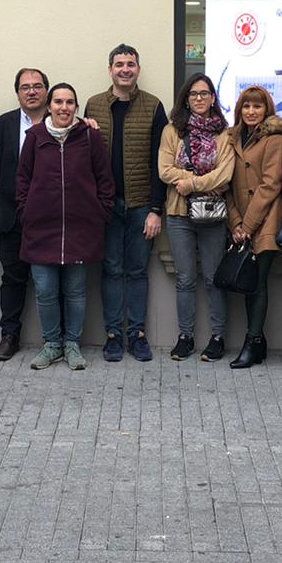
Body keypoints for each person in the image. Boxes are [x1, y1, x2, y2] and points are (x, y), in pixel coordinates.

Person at [16, 83, 116, 370]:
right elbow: (22, 179)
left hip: (81, 229)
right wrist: (26, 212)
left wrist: (101, 213)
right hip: (41, 229)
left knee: (76, 290)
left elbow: (104, 179)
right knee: (45, 290)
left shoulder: (89, 137)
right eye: (58, 102)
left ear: (76, 106)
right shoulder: (35, 137)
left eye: (70, 102)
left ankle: (72, 344)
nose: (64, 107)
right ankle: (51, 344)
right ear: (49, 106)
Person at [85, 43, 167, 362]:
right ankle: (113, 335)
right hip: (105, 206)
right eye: (119, 64)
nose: (125, 69)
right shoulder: (93, 106)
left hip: (141, 206)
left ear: (138, 69)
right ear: (110, 70)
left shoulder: (153, 106)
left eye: (130, 64)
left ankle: (137, 333)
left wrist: (156, 210)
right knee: (111, 270)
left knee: (137, 271)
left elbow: (160, 161)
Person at [159, 73, 236, 361]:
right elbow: (164, 170)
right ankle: (185, 336)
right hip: (179, 214)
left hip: (214, 215)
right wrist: (203, 179)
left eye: (205, 94)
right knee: (185, 278)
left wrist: (191, 183)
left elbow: (225, 175)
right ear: (186, 100)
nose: (200, 98)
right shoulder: (172, 132)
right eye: (194, 94)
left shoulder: (225, 134)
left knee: (213, 278)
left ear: (213, 98)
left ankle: (217, 337)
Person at [0, 68, 50, 361]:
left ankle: (56, 339)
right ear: (18, 93)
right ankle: (9, 335)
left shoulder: (61, 120)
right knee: (12, 279)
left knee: (52, 281)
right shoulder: (3, 125)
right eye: (25, 87)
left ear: (46, 91)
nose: (31, 91)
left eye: (37, 86)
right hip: (11, 219)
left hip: (51, 220)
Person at [224, 86, 282, 368]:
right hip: (241, 220)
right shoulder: (232, 137)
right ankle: (259, 343)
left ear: (266, 110)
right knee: (248, 282)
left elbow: (271, 183)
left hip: (266, 220)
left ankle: (251, 343)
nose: (251, 112)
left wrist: (248, 225)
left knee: (257, 282)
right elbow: (225, 183)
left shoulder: (275, 139)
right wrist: (236, 222)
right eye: (246, 107)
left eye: (257, 107)